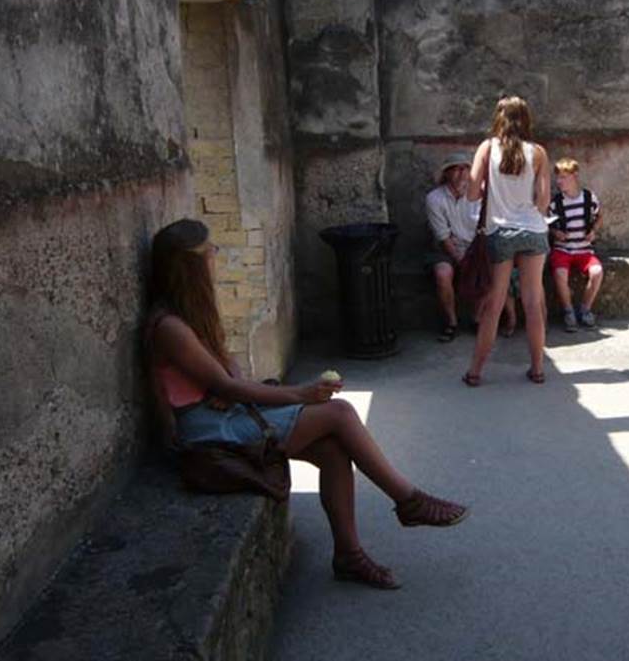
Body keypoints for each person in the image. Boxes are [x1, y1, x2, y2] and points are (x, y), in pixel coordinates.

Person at [145, 219, 468, 590]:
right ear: (191, 267)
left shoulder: (191, 315)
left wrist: (227, 383)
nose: (216, 256)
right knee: (340, 414)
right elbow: (227, 383)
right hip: (205, 429)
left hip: (222, 411)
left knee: (332, 451)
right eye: (210, 252)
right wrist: (299, 393)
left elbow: (227, 370)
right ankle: (408, 501)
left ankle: (349, 555)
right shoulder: (171, 327)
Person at [463, 96, 550, 386]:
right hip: (534, 230)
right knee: (534, 301)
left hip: (500, 232)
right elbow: (543, 200)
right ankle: (537, 369)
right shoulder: (538, 152)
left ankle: (475, 372)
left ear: (498, 118)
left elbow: (473, 194)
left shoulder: (487, 148)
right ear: (526, 119)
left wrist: (493, 189)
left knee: (494, 303)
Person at [426, 153, 516, 340]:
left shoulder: (478, 194)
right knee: (442, 274)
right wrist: (462, 260)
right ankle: (451, 322)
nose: (462, 174)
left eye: (465, 169)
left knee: (492, 270)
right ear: (447, 173)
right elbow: (443, 236)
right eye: (457, 169)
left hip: (475, 246)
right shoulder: (435, 199)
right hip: (447, 248)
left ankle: (476, 317)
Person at [548, 157, 604, 331]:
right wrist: (555, 232)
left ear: (574, 176)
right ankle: (568, 311)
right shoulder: (556, 203)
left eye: (563, 177)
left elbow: (600, 215)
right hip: (563, 249)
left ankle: (585, 309)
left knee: (597, 272)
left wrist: (594, 230)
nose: (559, 181)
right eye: (558, 177)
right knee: (559, 274)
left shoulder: (588, 197)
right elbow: (548, 224)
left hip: (584, 250)